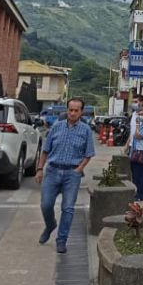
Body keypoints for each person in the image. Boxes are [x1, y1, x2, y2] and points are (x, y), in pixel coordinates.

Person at [36, 97, 95, 254]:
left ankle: (61, 240)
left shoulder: (86, 130)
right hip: (53, 171)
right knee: (46, 204)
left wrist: (79, 169)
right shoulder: (56, 127)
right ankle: (50, 225)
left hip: (72, 173)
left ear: (81, 112)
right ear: (66, 110)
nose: (73, 113)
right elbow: (46, 150)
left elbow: (89, 154)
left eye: (76, 110)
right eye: (70, 110)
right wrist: (40, 169)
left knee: (68, 208)